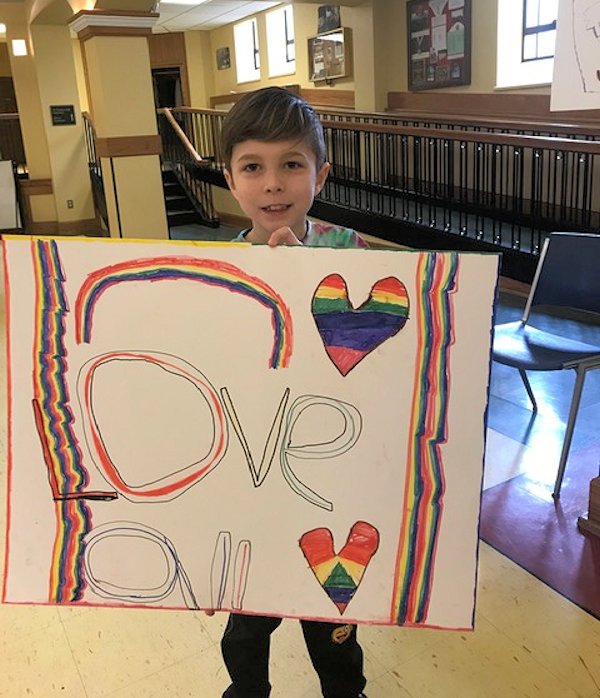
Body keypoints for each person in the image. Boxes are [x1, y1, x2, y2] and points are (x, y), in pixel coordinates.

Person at [218, 86, 369, 698]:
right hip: (253, 477)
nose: (273, 184)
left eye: (292, 164)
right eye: (253, 166)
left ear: (321, 174)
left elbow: (366, 365)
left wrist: (305, 275)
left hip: (327, 477)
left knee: (331, 621)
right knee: (244, 629)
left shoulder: (351, 254)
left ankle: (346, 692)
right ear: (231, 180)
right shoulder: (219, 269)